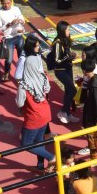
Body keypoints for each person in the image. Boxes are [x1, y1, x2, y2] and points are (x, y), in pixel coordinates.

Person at [15, 36, 55, 174]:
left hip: (33, 117)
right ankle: (40, 165)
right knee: (39, 142)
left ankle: (51, 157)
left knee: (26, 145)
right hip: (45, 113)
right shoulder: (43, 77)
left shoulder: (23, 85)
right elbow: (48, 90)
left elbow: (19, 102)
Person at [51, 21, 79, 124]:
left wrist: (72, 55)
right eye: (67, 29)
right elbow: (57, 60)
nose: (69, 31)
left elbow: (68, 53)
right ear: (62, 30)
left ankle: (67, 113)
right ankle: (63, 111)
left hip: (68, 68)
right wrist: (69, 56)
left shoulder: (66, 40)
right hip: (60, 70)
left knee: (68, 90)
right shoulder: (57, 43)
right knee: (72, 90)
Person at [0, 0, 25, 81]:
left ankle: (21, 73)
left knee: (22, 57)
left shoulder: (15, 9)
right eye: (4, 3)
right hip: (8, 38)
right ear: (1, 3)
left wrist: (22, 23)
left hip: (18, 35)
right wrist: (9, 24)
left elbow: (22, 19)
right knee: (9, 59)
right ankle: (7, 72)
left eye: (8, 3)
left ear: (11, 2)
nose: (7, 5)